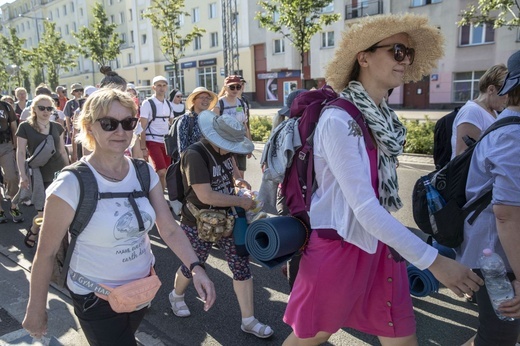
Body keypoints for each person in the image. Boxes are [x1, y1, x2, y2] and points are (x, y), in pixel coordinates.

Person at [282, 13, 484, 346]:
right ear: (364, 57)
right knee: (312, 336)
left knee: (402, 338)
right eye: (397, 51)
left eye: (408, 54)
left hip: (378, 247)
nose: (404, 61)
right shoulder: (338, 118)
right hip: (338, 247)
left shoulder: (380, 119)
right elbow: (364, 207)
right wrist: (435, 262)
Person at [22, 88, 216, 345]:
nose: (121, 131)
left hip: (143, 290)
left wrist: (196, 267)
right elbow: (45, 253)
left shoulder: (144, 171)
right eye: (109, 123)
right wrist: (36, 308)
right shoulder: (71, 182)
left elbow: (168, 229)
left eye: (128, 123)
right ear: (90, 127)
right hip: (95, 297)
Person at [169, 111, 273, 339]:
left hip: (228, 218)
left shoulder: (226, 152)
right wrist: (243, 202)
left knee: (241, 265)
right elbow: (205, 195)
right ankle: (176, 296)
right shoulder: (194, 154)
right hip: (198, 221)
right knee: (193, 265)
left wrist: (239, 182)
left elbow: (232, 176)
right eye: (229, 144)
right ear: (215, 138)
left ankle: (248, 320)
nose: (232, 149)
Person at [457, 50, 520, 346]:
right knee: (499, 336)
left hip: (499, 252)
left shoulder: (506, 125)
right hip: (499, 258)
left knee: (496, 333)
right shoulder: (512, 135)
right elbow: (507, 214)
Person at [16, 95, 69, 248]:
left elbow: (62, 151)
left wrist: (69, 170)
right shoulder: (25, 127)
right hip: (38, 173)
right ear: (34, 109)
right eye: (42, 108)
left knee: (60, 209)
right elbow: (20, 153)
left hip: (58, 172)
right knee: (42, 212)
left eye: (49, 108)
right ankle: (34, 229)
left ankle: (55, 244)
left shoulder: (57, 127)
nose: (46, 111)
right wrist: (22, 175)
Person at [451, 64, 508, 158]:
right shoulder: (472, 111)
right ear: (491, 89)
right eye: (506, 93)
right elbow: (463, 155)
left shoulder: (493, 111)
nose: (508, 98)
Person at [212, 75, 253, 178]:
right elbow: (214, 125)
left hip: (240, 142)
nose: (235, 90)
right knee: (231, 174)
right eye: (232, 87)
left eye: (238, 87)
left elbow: (244, 125)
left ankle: (239, 194)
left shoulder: (241, 103)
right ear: (225, 87)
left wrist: (249, 144)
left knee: (241, 174)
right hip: (226, 143)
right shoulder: (219, 103)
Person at [139, 76, 174, 190]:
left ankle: (162, 195)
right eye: (159, 85)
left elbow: (171, 124)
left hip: (166, 142)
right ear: (153, 87)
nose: (161, 88)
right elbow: (142, 127)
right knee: (161, 172)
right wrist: (143, 148)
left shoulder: (168, 104)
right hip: (152, 140)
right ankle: (161, 199)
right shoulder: (147, 103)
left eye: (164, 85)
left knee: (167, 172)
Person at [0, 97, 23, 223]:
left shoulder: (6, 106)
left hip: (6, 146)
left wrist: (16, 148)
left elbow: (14, 128)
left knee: (12, 177)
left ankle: (14, 206)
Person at [176, 87, 218, 155]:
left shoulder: (212, 119)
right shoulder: (186, 119)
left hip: (210, 161)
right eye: (202, 97)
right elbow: (182, 149)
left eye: (208, 98)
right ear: (193, 101)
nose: (205, 100)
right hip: (193, 160)